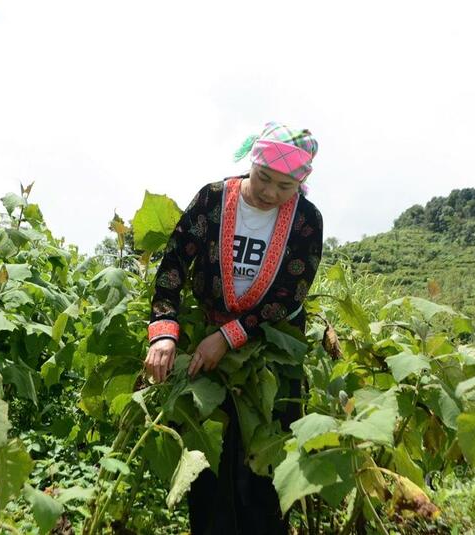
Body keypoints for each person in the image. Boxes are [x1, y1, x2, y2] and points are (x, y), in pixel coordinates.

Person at [144, 121, 323, 534]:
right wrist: (166, 330)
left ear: (301, 182)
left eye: (284, 186)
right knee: (211, 460)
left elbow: (288, 295)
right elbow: (173, 264)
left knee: (265, 465)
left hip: (274, 349)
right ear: (252, 162)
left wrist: (229, 336)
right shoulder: (212, 200)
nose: (270, 193)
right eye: (264, 178)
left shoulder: (306, 221)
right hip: (207, 343)